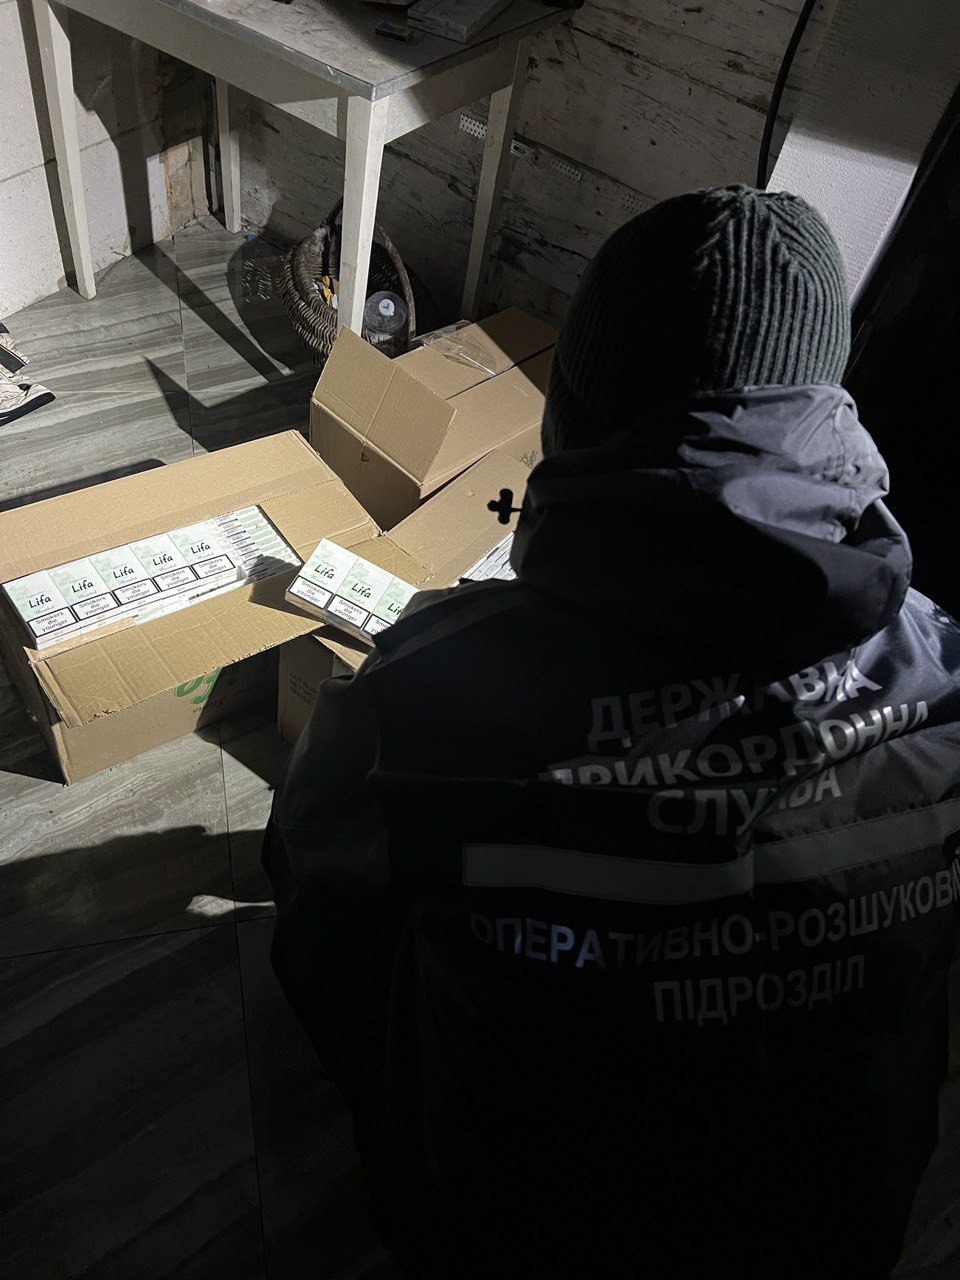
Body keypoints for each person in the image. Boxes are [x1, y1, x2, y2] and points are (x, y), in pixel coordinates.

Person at [263, 185, 960, 1279]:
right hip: (831, 1231)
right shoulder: (944, 669)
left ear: (573, 418)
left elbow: (324, 946)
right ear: (828, 409)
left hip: (509, 1236)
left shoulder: (420, 695)